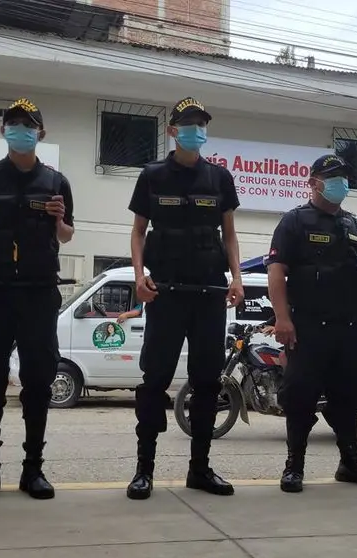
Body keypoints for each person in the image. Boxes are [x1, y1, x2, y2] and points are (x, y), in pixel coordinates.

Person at [266, 154, 357, 493]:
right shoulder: (294, 221)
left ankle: (350, 463)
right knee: (300, 398)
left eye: (344, 177)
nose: (340, 183)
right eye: (332, 177)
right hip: (307, 328)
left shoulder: (356, 225)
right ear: (313, 182)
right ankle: (294, 466)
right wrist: (283, 318)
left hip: (349, 329)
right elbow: (276, 271)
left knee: (348, 398)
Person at [0, 98, 75, 501]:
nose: (20, 130)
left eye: (28, 124)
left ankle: (33, 469)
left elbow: (67, 235)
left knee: (38, 381)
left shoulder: (56, 182)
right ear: (3, 130)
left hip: (39, 292)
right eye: (13, 124)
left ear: (41, 133)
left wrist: (58, 220)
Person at [125, 97, 244, 500]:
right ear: (172, 131)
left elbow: (229, 235)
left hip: (209, 292)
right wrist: (139, 276)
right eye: (189, 124)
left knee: (207, 381)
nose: (197, 130)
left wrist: (237, 278)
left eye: (202, 124)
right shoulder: (153, 176)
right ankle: (144, 470)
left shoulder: (220, 178)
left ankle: (200, 469)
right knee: (154, 380)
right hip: (166, 292)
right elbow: (138, 232)